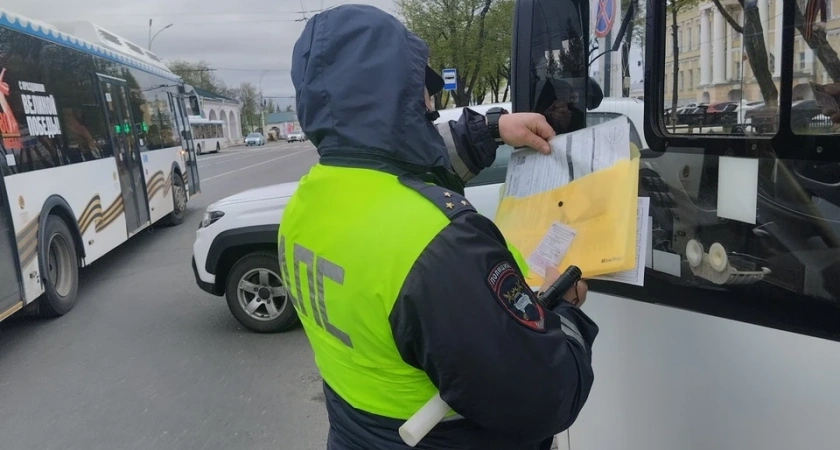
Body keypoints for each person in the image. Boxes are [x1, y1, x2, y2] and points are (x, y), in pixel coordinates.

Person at [279, 4, 599, 450]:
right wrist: (566, 314)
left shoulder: (305, 204)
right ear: (398, 99)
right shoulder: (440, 246)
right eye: (418, 90)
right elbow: (545, 396)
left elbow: (406, 160)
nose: (429, 104)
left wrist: (492, 129)